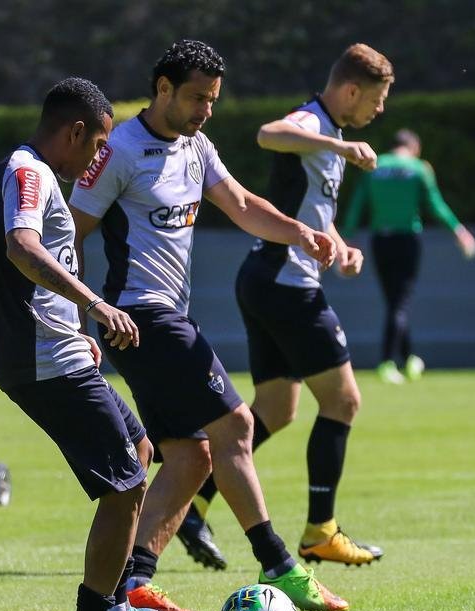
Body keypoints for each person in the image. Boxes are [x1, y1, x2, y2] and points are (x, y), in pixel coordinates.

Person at [69, 40, 348, 611]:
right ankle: (281, 565)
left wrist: (299, 231)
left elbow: (242, 203)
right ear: (163, 88)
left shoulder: (196, 146)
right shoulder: (118, 149)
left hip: (164, 317)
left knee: (191, 457)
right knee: (237, 426)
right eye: (197, 97)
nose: (206, 110)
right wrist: (79, 320)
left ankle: (133, 581)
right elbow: (71, 234)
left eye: (213, 100)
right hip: (140, 315)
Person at [176, 44, 393, 572]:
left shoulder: (331, 135)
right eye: (378, 100)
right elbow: (268, 133)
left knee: (276, 410)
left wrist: (339, 248)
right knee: (343, 402)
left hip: (269, 280)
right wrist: (338, 149)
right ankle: (321, 530)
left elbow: (312, 212)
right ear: (350, 91)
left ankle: (192, 505)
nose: (379, 111)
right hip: (284, 284)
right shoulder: (313, 121)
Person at [0, 77, 163, 611]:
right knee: (125, 488)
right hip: (46, 362)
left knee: (140, 447)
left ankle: (107, 602)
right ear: (75, 131)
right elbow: (21, 249)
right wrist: (93, 306)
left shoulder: (7, 174)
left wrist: (64, 326)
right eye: (97, 143)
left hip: (51, 352)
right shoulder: (29, 173)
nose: (97, 159)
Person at [343, 128, 475, 384]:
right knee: (400, 302)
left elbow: (358, 203)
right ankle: (387, 361)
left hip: (380, 240)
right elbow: (436, 204)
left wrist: (346, 236)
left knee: (393, 300)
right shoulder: (418, 168)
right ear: (414, 148)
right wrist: (458, 230)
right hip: (407, 240)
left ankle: (410, 357)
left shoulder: (375, 164)